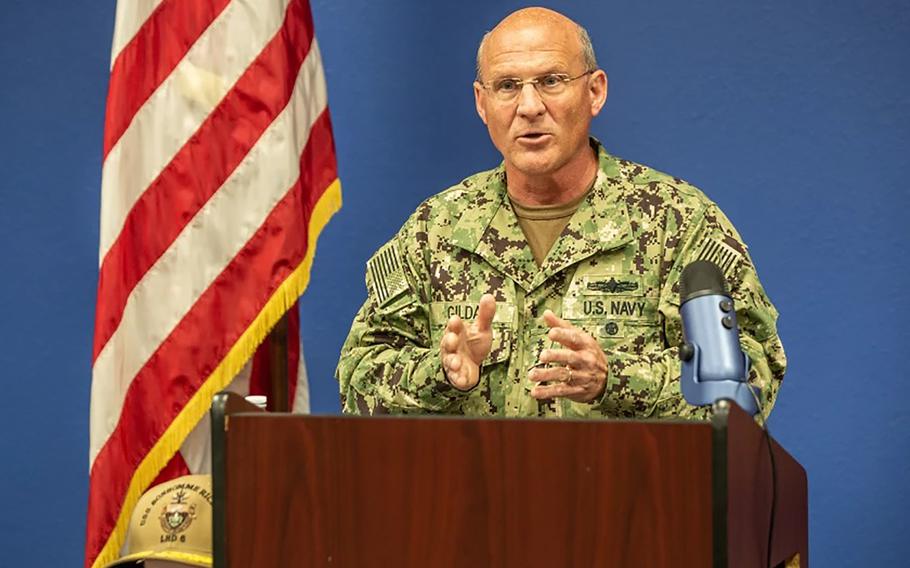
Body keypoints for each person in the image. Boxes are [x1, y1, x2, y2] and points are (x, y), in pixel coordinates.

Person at [336, 7, 785, 419]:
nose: (529, 107)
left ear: (595, 92)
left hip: (629, 500)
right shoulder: (435, 229)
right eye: (508, 86)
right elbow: (357, 381)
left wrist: (615, 382)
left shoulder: (676, 221)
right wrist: (440, 373)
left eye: (551, 81)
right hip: (469, 502)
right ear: (481, 102)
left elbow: (748, 385)